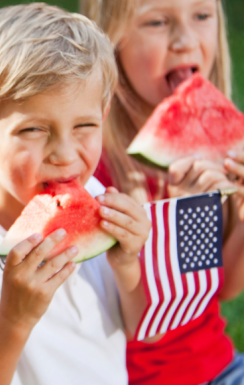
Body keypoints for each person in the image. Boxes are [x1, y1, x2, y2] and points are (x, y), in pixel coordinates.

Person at [0, 4, 152, 384]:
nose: (65, 155)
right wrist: (14, 319)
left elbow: (138, 328)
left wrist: (127, 264)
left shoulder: (96, 199)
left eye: (84, 125)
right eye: (34, 130)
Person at [81, 0, 244, 383]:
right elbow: (147, 324)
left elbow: (222, 290)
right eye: (157, 21)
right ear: (111, 40)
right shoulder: (94, 170)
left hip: (220, 363)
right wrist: (189, 216)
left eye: (202, 16)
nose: (185, 40)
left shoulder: (218, 145)